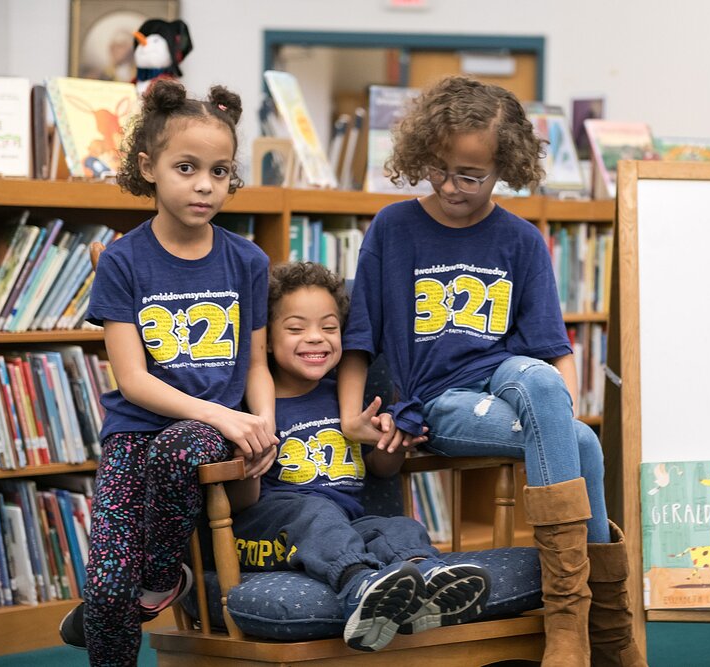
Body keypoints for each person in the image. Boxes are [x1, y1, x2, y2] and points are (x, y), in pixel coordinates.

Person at [338, 75, 644, 667]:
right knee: (580, 443)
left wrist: (555, 407)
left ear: (505, 167)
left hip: (509, 380)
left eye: (470, 176)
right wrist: (353, 415)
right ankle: (603, 633)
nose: (452, 186)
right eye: (440, 168)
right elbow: (359, 340)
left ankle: (571, 625)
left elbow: (552, 352)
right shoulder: (393, 229)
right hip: (440, 401)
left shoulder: (522, 242)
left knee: (544, 389)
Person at [59, 79, 278, 667]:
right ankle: (127, 607)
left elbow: (256, 364)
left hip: (205, 436)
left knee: (179, 448)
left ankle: (161, 578)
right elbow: (133, 380)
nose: (205, 184)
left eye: (220, 170)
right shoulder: (124, 260)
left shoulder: (248, 261)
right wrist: (227, 415)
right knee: (105, 587)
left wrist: (263, 424)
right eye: (186, 167)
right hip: (139, 431)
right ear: (147, 167)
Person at [228, 261, 491, 652]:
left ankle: (427, 585)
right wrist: (248, 465)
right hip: (271, 537)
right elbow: (239, 503)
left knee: (397, 526)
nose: (316, 339)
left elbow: (378, 470)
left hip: (343, 527)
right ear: (266, 339)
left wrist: (394, 447)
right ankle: (359, 587)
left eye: (329, 328)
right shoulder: (252, 406)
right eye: (296, 328)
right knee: (316, 513)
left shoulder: (346, 398)